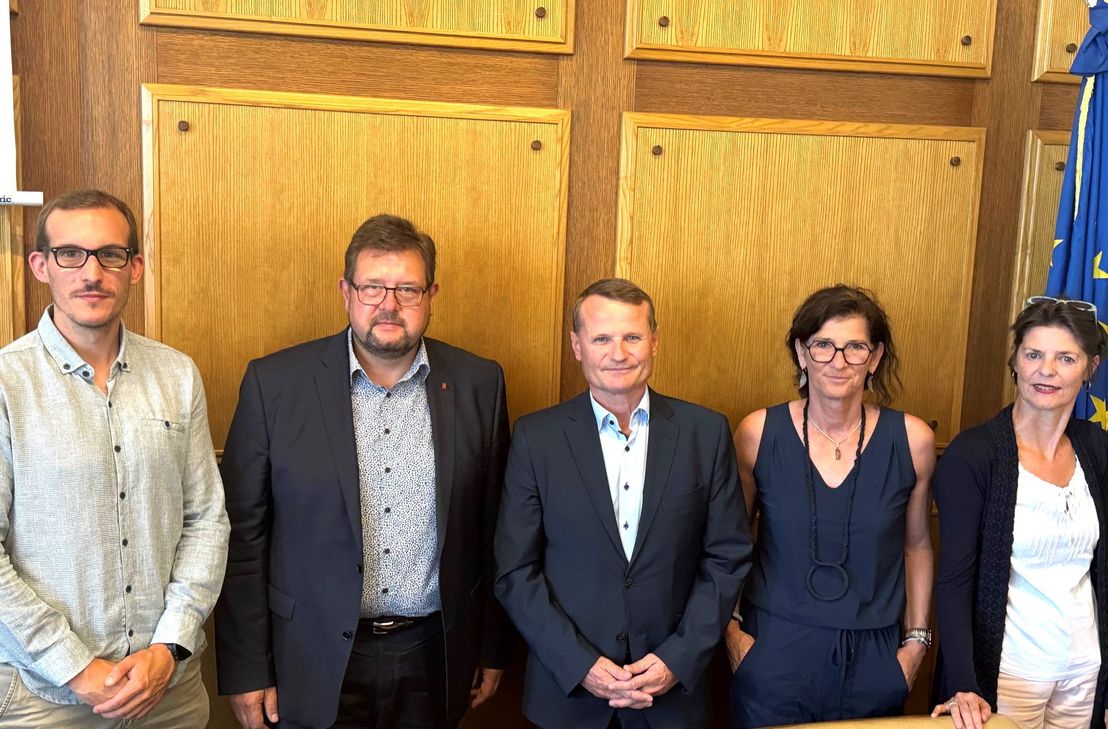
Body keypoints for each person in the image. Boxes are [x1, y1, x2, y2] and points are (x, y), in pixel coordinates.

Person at [215, 213, 511, 729]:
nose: (388, 305)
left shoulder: (479, 384)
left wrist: (491, 646)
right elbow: (243, 538)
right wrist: (246, 668)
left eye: (407, 289)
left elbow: (494, 532)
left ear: (431, 295)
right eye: (372, 287)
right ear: (346, 292)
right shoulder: (275, 384)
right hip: (308, 658)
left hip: (435, 656)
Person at [0, 189, 229, 727]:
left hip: (168, 693)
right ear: (40, 266)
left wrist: (169, 647)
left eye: (110, 255)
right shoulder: (8, 383)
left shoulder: (177, 375)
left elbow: (205, 520)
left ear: (135, 268)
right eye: (70, 254)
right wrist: (74, 666)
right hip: (46, 699)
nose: (91, 273)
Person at [494, 277, 751, 729]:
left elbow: (726, 558)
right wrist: (580, 665)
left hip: (674, 700)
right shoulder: (536, 438)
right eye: (601, 339)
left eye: (632, 336)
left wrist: (678, 658)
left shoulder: (705, 433)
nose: (618, 353)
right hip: (567, 699)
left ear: (654, 341)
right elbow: (515, 572)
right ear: (577, 346)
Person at [726, 284, 935, 728]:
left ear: (875, 358)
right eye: (823, 345)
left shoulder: (913, 440)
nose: (838, 362)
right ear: (802, 353)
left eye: (855, 347)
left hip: (875, 657)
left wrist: (916, 644)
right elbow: (731, 543)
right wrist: (732, 631)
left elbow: (916, 545)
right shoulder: (757, 433)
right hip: (773, 651)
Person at [932, 296, 1108, 729]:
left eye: (1065, 358)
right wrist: (963, 683)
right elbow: (953, 581)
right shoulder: (973, 454)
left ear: (1090, 368)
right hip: (1008, 677)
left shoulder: (1098, 448)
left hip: (1086, 675)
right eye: (1033, 355)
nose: (1046, 370)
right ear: (1015, 362)